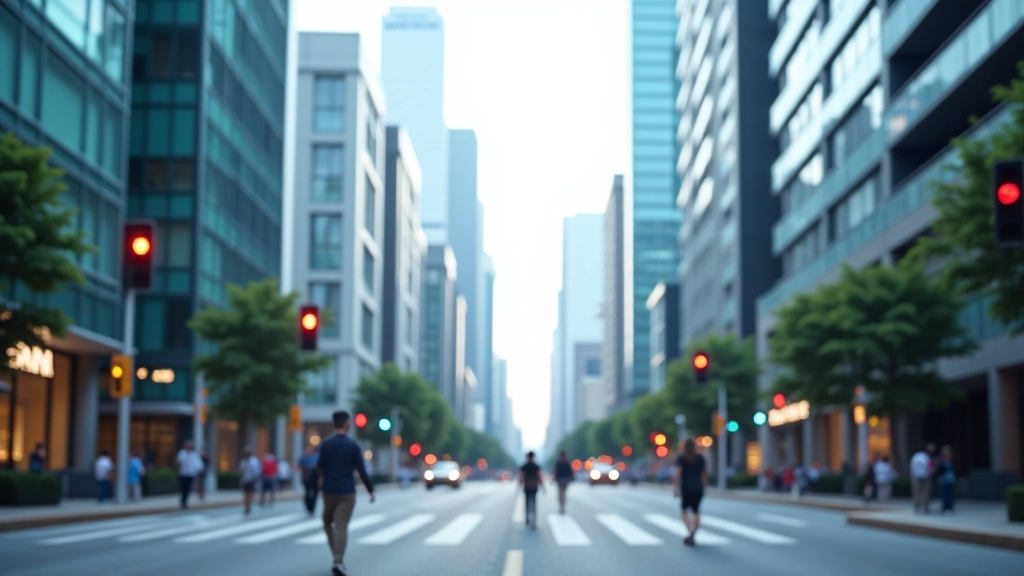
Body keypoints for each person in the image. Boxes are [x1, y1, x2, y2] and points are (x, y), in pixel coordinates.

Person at [318, 411, 375, 576]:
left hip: (329, 491)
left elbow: (319, 468)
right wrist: (370, 491)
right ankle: (338, 559)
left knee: (327, 522)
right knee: (341, 524)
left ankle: (337, 555)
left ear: (334, 424)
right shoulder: (353, 445)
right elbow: (362, 470)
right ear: (347, 424)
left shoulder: (325, 444)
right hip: (347, 492)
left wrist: (318, 485)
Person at [673, 438, 707, 546]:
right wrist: (704, 486)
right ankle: (693, 531)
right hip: (698, 488)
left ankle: (690, 530)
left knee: (684, 511)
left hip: (686, 488)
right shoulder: (700, 458)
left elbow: (678, 474)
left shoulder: (682, 458)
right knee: (696, 511)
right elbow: (704, 474)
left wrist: (675, 487)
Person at [176, 440, 204, 509]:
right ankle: (183, 500)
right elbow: (179, 462)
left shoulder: (194, 454)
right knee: (183, 488)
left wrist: (198, 470)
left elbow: (199, 464)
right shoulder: (182, 453)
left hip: (191, 474)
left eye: (190, 446)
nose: (189, 447)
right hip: (183, 474)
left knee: (188, 488)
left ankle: (184, 501)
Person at [518, 451, 543, 529]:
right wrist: (542, 486)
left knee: (527, 503)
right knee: (534, 503)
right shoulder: (536, 466)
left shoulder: (524, 466)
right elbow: (539, 477)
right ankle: (534, 520)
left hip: (527, 487)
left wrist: (519, 485)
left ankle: (527, 519)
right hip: (534, 487)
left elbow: (521, 477)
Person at [910, 443, 937, 513]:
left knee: (917, 492)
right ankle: (925, 507)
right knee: (926, 493)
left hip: (916, 477)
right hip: (925, 476)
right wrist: (931, 473)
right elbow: (930, 467)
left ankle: (916, 507)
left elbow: (912, 468)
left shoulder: (915, 457)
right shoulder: (926, 457)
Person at [298, 445, 321, 516]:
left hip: (315, 477)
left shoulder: (316, 457)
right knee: (307, 493)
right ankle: (308, 507)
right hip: (307, 477)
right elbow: (299, 465)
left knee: (315, 493)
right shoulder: (303, 458)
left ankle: (313, 507)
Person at [239, 447, 262, 515]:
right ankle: (247, 506)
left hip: (251, 480)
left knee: (249, 494)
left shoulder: (254, 461)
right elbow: (241, 471)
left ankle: (248, 506)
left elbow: (257, 471)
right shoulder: (243, 461)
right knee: (246, 494)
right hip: (245, 480)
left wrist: (255, 479)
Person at [934, 445, 956, 514]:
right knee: (944, 494)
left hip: (951, 479)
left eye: (948, 452)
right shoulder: (940, 461)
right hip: (943, 480)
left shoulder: (951, 461)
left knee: (951, 494)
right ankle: (945, 507)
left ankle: (950, 507)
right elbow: (938, 470)